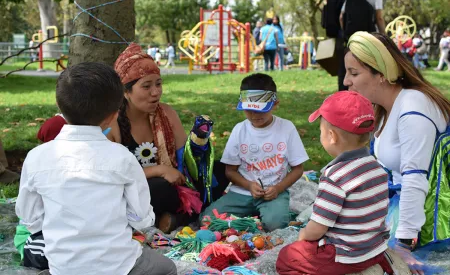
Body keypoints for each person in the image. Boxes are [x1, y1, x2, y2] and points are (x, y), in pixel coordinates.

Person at [15, 62, 176, 275]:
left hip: (63, 267)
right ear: (114, 114)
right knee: (168, 269)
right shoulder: (122, 157)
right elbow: (142, 219)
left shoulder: (36, 157)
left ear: (59, 105)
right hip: (119, 265)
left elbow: (30, 218)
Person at [344, 31, 450, 273]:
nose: (346, 81)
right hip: (397, 206)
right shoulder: (384, 107)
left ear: (381, 74)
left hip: (426, 218)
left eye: (354, 73)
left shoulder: (413, 107)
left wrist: (403, 244)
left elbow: (415, 179)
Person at [109, 43, 228, 233]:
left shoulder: (166, 113)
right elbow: (113, 174)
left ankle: (172, 217)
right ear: (125, 92)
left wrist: (198, 151)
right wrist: (159, 169)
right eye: (146, 86)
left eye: (158, 83)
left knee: (218, 170)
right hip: (137, 190)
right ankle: (179, 217)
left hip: (174, 184)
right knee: (157, 187)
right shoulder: (112, 123)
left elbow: (184, 162)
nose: (155, 92)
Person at [276, 91, 393, 275]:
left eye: (321, 131)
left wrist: (303, 236)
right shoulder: (375, 166)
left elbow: (318, 227)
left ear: (331, 136)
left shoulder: (336, 176)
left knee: (287, 257)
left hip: (346, 255)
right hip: (374, 248)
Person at [202, 73, 309, 231]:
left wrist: (278, 188)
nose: (254, 115)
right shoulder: (240, 130)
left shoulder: (286, 128)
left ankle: (259, 218)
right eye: (249, 110)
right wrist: (248, 185)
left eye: (260, 110)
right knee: (206, 220)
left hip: (273, 194)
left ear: (275, 104)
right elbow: (230, 171)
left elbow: (298, 169)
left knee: (276, 225)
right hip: (242, 192)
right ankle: (252, 221)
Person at [338, 0, 385, 90]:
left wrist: (346, 33)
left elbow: (341, 17)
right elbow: (379, 17)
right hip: (371, 38)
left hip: (353, 39)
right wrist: (384, 35)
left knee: (352, 68)